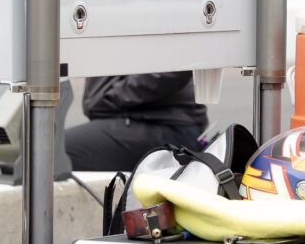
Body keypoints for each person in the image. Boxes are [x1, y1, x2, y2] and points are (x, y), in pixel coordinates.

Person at [65, 72, 208, 171]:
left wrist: (114, 97)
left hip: (167, 123)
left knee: (53, 152)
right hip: (138, 116)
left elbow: (177, 63)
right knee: (51, 149)